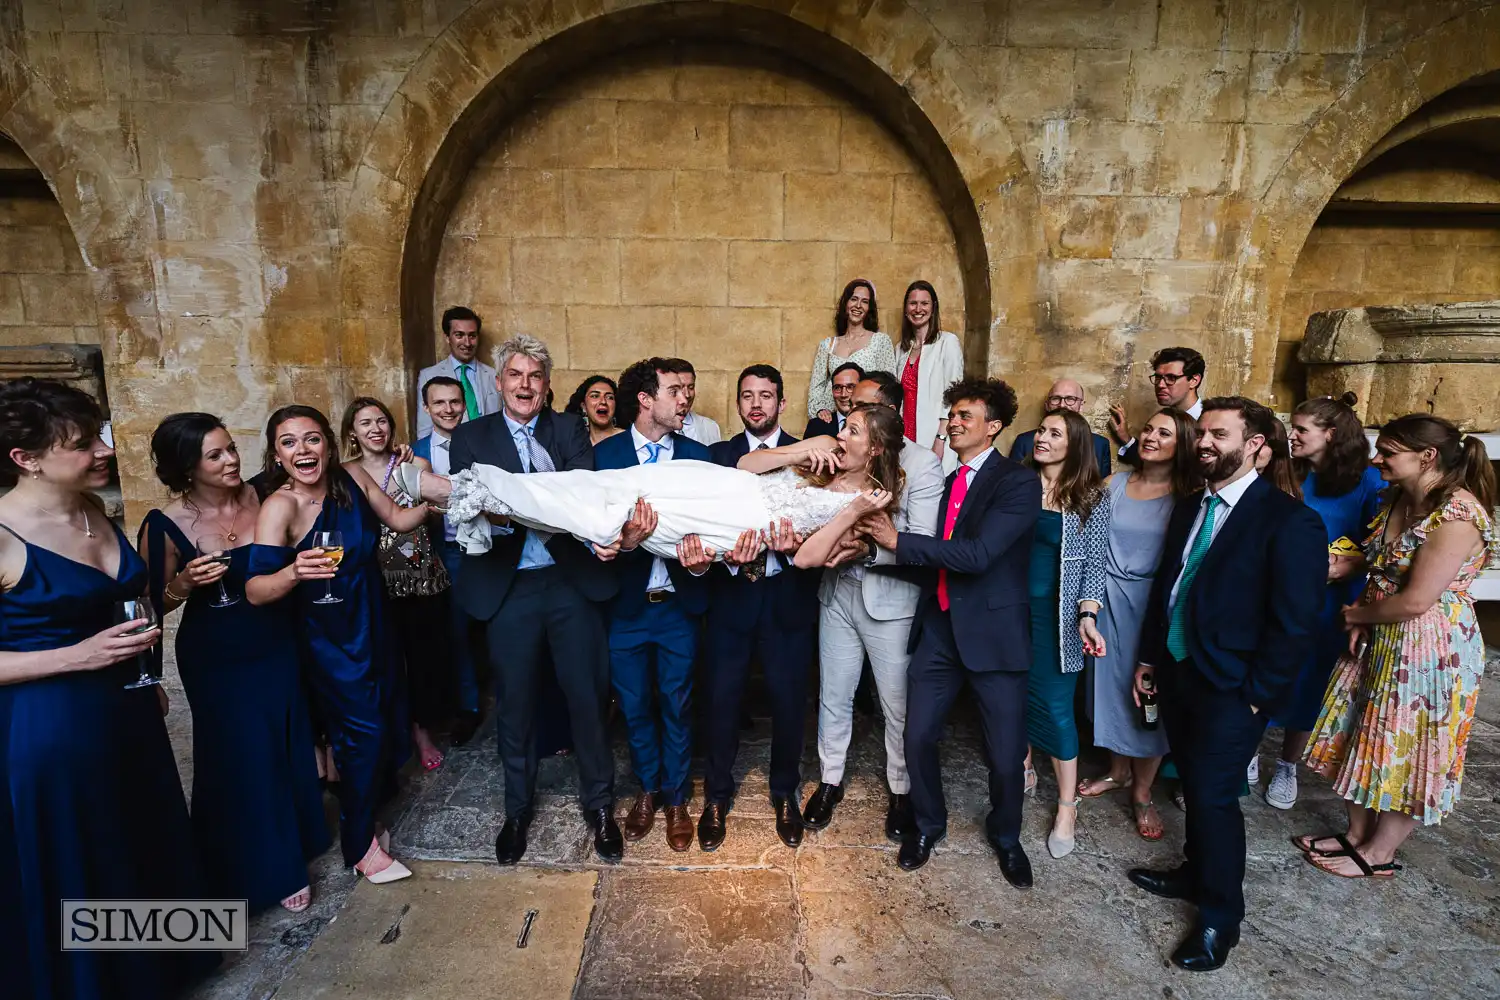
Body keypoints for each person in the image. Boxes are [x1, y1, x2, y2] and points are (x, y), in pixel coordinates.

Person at [0, 378, 218, 998]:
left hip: (129, 709)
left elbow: (130, 600)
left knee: (142, 837)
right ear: (26, 459)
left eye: (99, 433)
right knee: (83, 853)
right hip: (52, 726)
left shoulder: (93, 508)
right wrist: (77, 654)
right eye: (81, 442)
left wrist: (142, 661)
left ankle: (158, 969)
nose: (102, 449)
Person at [1128, 396, 1326, 972]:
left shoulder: (1291, 521)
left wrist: (1259, 694)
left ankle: (1220, 919)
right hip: (1179, 668)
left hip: (1235, 688)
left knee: (1214, 796)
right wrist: (1148, 659)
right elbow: (1168, 586)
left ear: (1258, 447)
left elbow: (1295, 624)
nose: (1205, 443)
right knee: (1190, 776)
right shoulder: (1193, 505)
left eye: (1219, 434)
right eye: (1203, 433)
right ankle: (1194, 871)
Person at [439, 334, 623, 866]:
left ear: (546, 386)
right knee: (514, 706)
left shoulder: (569, 429)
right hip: (509, 586)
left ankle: (601, 807)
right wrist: (533, 498)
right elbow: (475, 505)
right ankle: (516, 810)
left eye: (534, 376)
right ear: (499, 383)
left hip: (568, 584)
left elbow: (579, 498)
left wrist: (516, 497)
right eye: (515, 375)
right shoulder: (472, 436)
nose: (524, 385)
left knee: (587, 699)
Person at [139, 413, 330, 916]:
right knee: (242, 756)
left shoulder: (264, 491)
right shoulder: (165, 524)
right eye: (215, 455)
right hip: (217, 655)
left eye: (231, 449)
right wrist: (182, 584)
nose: (231, 460)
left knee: (287, 741)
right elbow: (148, 604)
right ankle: (273, 867)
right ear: (187, 467)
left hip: (278, 640)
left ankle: (302, 833)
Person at [860, 377, 1040, 886]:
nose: (954, 423)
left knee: (1006, 758)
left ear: (994, 427)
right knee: (916, 738)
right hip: (940, 630)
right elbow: (930, 560)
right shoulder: (946, 481)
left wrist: (897, 539)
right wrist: (874, 555)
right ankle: (927, 823)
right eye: (952, 415)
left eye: (966, 416)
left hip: (994, 636)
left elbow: (979, 556)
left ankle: (1006, 836)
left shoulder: (1016, 483)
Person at [1300, 415, 1497, 879]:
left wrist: (1353, 615)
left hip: (1431, 648)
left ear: (1426, 456)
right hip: (1381, 633)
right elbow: (1382, 572)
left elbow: (1415, 600)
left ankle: (1378, 854)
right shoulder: (1398, 499)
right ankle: (1355, 834)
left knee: (1412, 745)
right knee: (1358, 731)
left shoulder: (1458, 515)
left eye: (1387, 452)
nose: (1376, 459)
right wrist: (1365, 616)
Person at [246, 404, 433, 885]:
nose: (302, 450)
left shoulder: (350, 482)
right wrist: (292, 571)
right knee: (362, 734)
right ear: (276, 454)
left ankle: (368, 818)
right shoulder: (279, 506)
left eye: (311, 438)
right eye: (289, 442)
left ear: (328, 443)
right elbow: (255, 589)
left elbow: (398, 518)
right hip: (327, 632)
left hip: (374, 614)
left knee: (389, 717)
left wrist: (444, 503)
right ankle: (358, 845)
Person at [800, 371, 944, 839]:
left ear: (888, 414)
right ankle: (829, 779)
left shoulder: (922, 466)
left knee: (895, 704)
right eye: (848, 410)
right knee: (834, 694)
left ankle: (901, 790)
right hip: (836, 591)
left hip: (891, 599)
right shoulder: (841, 459)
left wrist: (864, 548)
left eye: (860, 411)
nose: (847, 419)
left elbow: (919, 541)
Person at [594, 357, 716, 852]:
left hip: (678, 605)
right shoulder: (605, 456)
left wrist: (703, 562)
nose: (685, 398)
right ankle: (647, 788)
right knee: (636, 704)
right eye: (674, 392)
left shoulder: (698, 455)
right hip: (625, 606)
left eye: (686, 391)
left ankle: (677, 798)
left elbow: (715, 528)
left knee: (678, 703)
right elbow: (588, 528)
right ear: (646, 400)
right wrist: (620, 543)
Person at [698, 364, 819, 850]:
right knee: (721, 702)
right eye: (747, 396)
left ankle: (785, 793)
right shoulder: (718, 457)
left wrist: (798, 544)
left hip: (787, 596)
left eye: (765, 396)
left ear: (781, 403)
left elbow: (825, 520)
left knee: (790, 704)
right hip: (731, 597)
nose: (756, 404)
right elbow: (702, 523)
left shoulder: (808, 458)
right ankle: (715, 796)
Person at [1080, 409, 1200, 842]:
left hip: (1151, 608)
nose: (1149, 437)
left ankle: (1143, 791)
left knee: (1147, 699)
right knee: (1109, 693)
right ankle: (1116, 771)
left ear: (1182, 443)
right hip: (1105, 601)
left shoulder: (1189, 498)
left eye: (1163, 433)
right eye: (1147, 428)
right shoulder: (1113, 484)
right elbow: (1088, 538)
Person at [1258, 393, 1383, 810]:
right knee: (1265, 666)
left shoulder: (1367, 481)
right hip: (1278, 589)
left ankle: (1288, 763)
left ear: (1330, 435)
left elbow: (1379, 544)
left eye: (1301, 430)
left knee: (1311, 677)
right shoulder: (1287, 471)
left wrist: (1349, 566)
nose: (1292, 437)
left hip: (1331, 598)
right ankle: (1249, 753)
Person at [341, 396, 450, 772]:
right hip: (374, 578)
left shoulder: (413, 463)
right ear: (352, 433)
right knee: (384, 660)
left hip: (419, 574)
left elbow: (436, 516)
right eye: (366, 423)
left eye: (382, 421)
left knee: (423, 657)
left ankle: (422, 732)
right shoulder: (344, 473)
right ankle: (392, 732)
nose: (376, 429)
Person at [1021, 410, 1111, 860]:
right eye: (1041, 430)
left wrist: (1087, 615)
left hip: (1057, 619)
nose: (1042, 438)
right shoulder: (1015, 484)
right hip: (1009, 612)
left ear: (1074, 445)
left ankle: (1066, 807)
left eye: (1054, 433)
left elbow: (1096, 564)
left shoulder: (1091, 496)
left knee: (1056, 708)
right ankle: (1022, 765)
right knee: (1010, 694)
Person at [414, 375, 484, 743]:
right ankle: (468, 708)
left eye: (455, 402)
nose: (448, 409)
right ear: (427, 408)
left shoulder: (483, 442)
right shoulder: (415, 452)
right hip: (446, 553)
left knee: (494, 630)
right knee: (456, 634)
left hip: (487, 550)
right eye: (439, 403)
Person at [895, 280, 965, 472]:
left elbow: (955, 396)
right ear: (906, 309)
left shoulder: (947, 342)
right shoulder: (901, 348)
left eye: (924, 303)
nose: (918, 309)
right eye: (913, 303)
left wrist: (941, 439)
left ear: (933, 308)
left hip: (935, 434)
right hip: (905, 435)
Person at [809, 278, 895, 424]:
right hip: (831, 421)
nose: (858, 305)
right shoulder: (827, 345)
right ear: (845, 304)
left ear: (870, 308)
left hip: (866, 421)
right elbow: (815, 389)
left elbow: (889, 387)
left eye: (865, 301)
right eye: (854, 299)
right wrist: (819, 410)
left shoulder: (880, 341)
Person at [1110, 347, 1205, 466]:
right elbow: (1156, 468)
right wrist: (1126, 439)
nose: (1160, 385)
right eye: (1158, 377)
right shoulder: (1162, 418)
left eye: (1171, 378)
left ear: (1194, 381)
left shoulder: (1208, 424)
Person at [416, 305, 499, 439]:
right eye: (459, 335)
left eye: (472, 336)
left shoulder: (494, 375)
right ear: (448, 338)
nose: (467, 343)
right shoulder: (428, 375)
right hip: (450, 453)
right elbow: (425, 431)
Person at [1008, 379, 1112, 475]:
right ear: (1047, 405)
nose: (1062, 405)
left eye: (1070, 399)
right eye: (1056, 398)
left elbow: (1101, 488)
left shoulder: (1100, 445)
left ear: (1081, 406)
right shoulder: (1024, 442)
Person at [804, 362, 862, 439]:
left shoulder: (872, 425)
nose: (843, 394)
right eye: (837, 388)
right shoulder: (816, 426)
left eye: (850, 387)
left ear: (862, 388)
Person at [565, 374, 624, 446]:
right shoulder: (577, 445)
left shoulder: (630, 439)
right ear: (584, 406)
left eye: (609, 397)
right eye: (595, 396)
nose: (603, 402)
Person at [1253, 415, 1302, 500]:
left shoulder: (1284, 499)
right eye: (1247, 440)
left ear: (1275, 452)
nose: (1252, 449)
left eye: (1263, 444)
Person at [678, 360, 723, 447]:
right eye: (680, 388)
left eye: (691, 387)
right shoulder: (657, 428)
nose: (687, 394)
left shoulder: (710, 427)